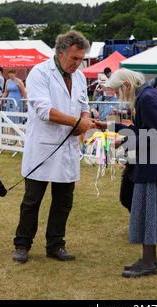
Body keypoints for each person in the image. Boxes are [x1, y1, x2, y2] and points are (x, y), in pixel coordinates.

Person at [12, 31, 95, 263]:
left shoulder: (79, 77)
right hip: (43, 147)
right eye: (74, 58)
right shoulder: (40, 73)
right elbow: (44, 110)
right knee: (32, 200)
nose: (78, 64)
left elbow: (84, 105)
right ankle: (22, 244)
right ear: (60, 53)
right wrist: (78, 122)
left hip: (67, 148)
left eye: (81, 59)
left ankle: (56, 244)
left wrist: (84, 120)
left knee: (63, 201)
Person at [95, 68, 157, 278]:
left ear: (127, 85)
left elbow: (152, 135)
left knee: (147, 212)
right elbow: (142, 130)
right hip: (154, 162)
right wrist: (109, 125)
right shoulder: (147, 96)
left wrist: (122, 142)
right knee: (148, 211)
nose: (120, 97)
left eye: (119, 92)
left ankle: (148, 261)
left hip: (153, 164)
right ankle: (150, 258)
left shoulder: (147, 99)